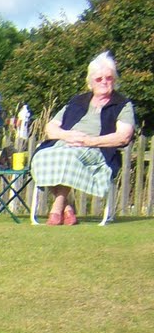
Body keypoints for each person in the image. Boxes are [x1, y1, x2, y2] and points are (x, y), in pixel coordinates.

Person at [30, 52, 137, 225]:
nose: (104, 82)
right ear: (90, 82)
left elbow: (123, 136)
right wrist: (66, 135)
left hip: (98, 149)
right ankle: (68, 208)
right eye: (99, 79)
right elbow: (50, 128)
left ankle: (56, 209)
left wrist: (89, 141)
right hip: (66, 143)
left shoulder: (122, 104)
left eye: (109, 78)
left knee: (68, 157)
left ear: (114, 80)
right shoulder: (77, 101)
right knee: (42, 156)